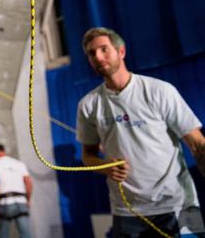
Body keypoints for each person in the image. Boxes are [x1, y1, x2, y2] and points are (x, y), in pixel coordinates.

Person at [77, 27, 205, 237]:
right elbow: (88, 155)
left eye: (103, 49)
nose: (98, 57)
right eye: (92, 53)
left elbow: (198, 144)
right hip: (126, 212)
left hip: (180, 205)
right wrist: (104, 167)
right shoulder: (88, 105)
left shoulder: (160, 91)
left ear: (121, 52)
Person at [0, 144, 33, 238]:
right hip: (21, 202)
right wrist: (28, 199)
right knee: (26, 233)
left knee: (3, 233)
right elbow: (28, 183)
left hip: (5, 203)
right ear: (3, 151)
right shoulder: (19, 163)